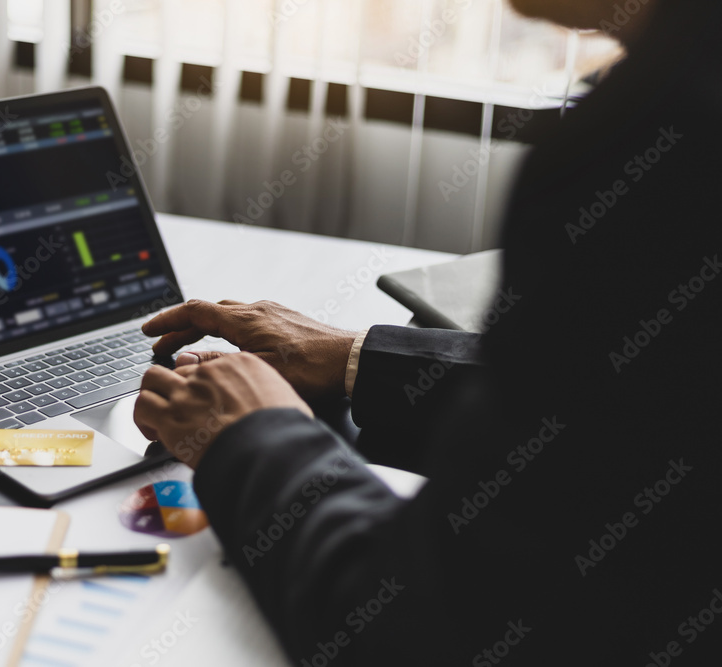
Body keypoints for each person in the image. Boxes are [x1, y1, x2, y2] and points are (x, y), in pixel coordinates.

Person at [134, 0, 722, 663]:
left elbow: (423, 623)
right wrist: (362, 358)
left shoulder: (661, 146)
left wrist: (254, 434)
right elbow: (639, 401)